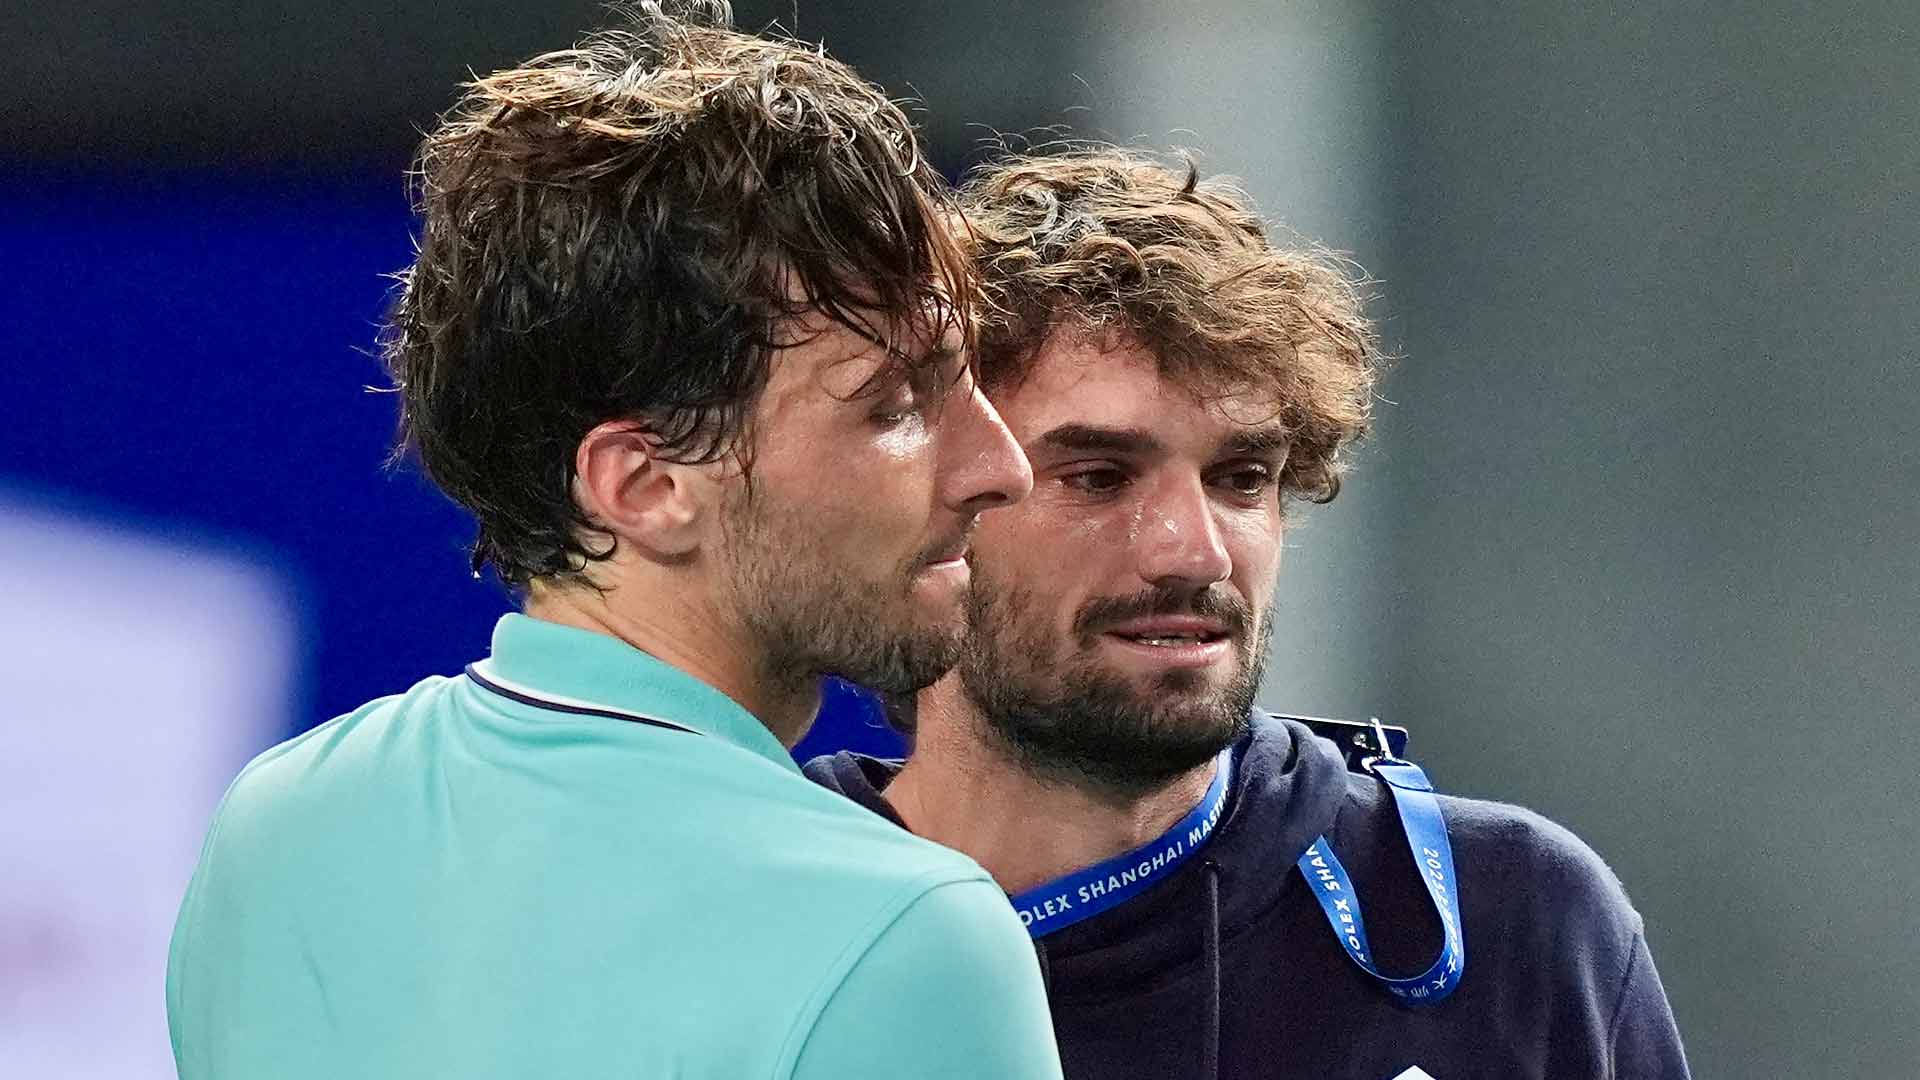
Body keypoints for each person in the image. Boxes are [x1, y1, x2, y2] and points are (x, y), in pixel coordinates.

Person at [165, 5, 1064, 1078]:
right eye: (896, 406)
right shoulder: (908, 937)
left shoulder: (278, 829)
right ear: (643, 485)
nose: (1000, 465)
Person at [805, 148, 1692, 1079]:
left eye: (1241, 479)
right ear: (934, 510)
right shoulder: (749, 920)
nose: (1194, 552)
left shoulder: (1509, 920)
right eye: (1098, 477)